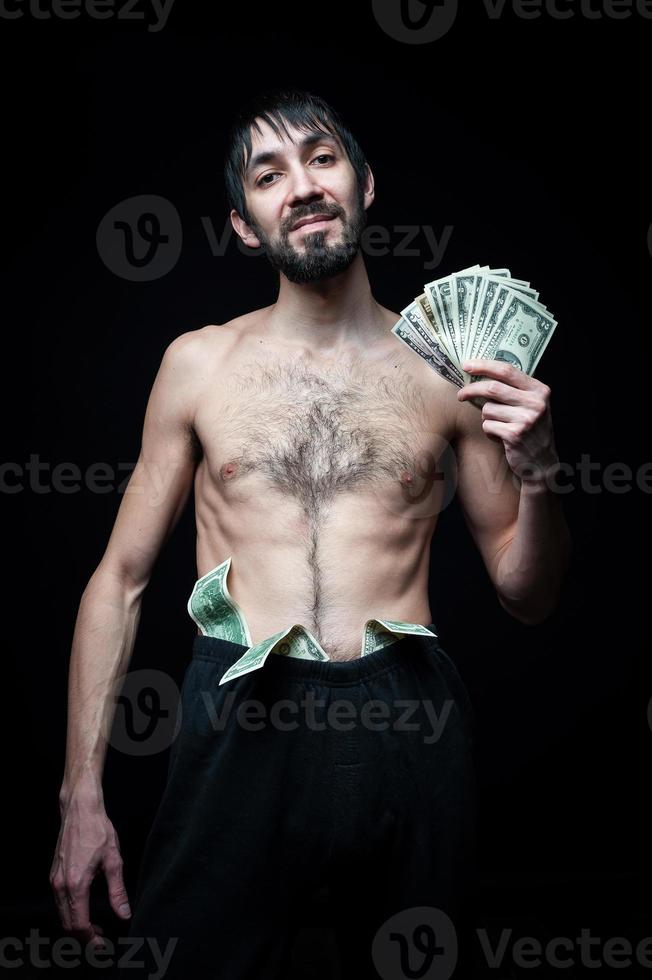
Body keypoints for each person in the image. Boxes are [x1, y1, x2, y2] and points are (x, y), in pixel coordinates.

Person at [50, 88, 571, 979]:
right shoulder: (198, 364)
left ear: (365, 186)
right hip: (238, 715)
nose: (301, 185)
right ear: (245, 225)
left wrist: (542, 469)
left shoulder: (450, 375)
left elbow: (527, 594)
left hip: (406, 718)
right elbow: (120, 579)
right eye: (269, 173)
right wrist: (80, 796)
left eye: (322, 159)